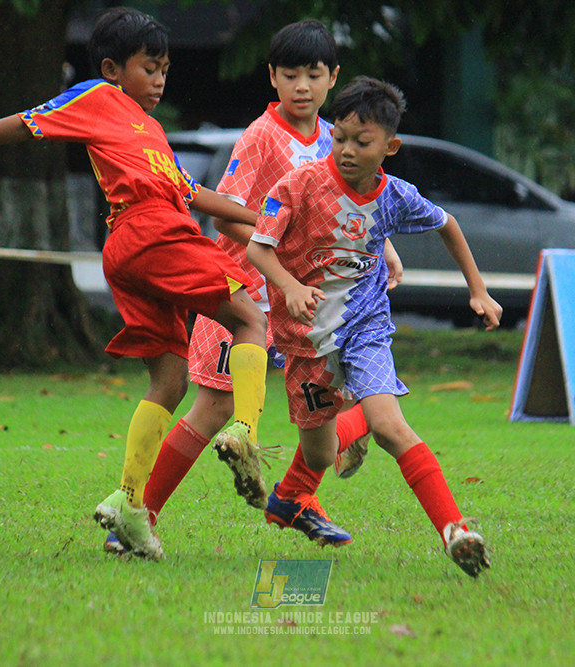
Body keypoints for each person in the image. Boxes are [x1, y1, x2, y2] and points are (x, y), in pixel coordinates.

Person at [0, 7, 271, 561]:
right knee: (250, 319)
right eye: (150, 67)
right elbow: (24, 121)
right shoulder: (98, 95)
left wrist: (266, 220)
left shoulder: (152, 131)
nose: (160, 79)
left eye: (166, 69)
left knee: (169, 379)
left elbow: (194, 193)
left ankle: (130, 504)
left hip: (129, 248)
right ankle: (245, 432)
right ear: (112, 69)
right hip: (151, 230)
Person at [103, 18, 403, 555]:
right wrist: (281, 259)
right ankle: (135, 520)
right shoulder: (261, 136)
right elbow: (225, 215)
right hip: (244, 291)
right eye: (290, 75)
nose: (302, 87)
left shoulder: (335, 141)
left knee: (330, 400)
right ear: (272, 77)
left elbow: (353, 207)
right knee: (213, 410)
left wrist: (383, 247)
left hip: (307, 303)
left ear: (333, 78)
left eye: (313, 75)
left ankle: (301, 494)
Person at [246, 76, 503, 577]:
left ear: (390, 146)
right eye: (339, 137)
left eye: (361, 142)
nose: (346, 150)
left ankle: (454, 530)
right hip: (306, 339)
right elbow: (258, 248)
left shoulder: (396, 197)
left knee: (391, 427)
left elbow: (447, 224)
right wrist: (290, 287)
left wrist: (478, 290)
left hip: (365, 327)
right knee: (320, 453)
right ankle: (294, 493)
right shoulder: (299, 185)